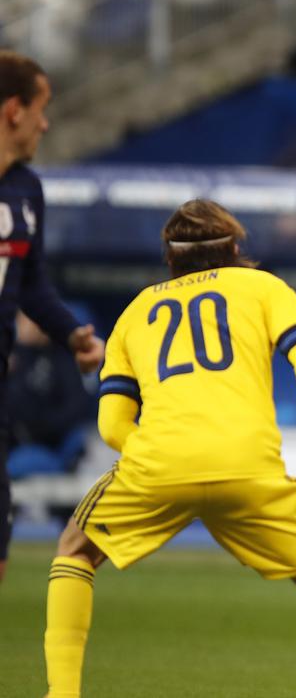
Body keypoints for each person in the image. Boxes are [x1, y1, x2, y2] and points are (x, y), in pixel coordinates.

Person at [43, 200, 296, 698]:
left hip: (158, 465)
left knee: (74, 551)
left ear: (170, 259)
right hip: (249, 465)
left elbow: (112, 423)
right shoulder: (264, 287)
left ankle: (63, 693)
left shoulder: (137, 310)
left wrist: (166, 455)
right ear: (236, 248)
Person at [0, 50, 104, 586]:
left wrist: (71, 335)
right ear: (14, 109)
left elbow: (32, 284)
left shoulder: (25, 191)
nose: (47, 121)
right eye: (42, 107)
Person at [7, 312, 94, 476]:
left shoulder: (63, 356)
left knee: (21, 462)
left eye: (28, 320)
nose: (22, 325)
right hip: (15, 443)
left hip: (52, 444)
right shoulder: (14, 357)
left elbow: (78, 406)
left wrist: (41, 426)